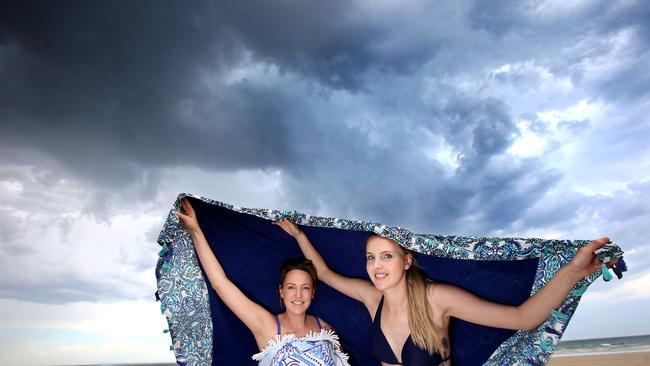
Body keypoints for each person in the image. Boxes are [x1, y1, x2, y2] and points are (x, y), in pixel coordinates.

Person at [274, 218, 615, 366]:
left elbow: (523, 319)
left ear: (407, 260)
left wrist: (571, 271)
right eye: (370, 258)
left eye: (387, 256)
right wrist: (299, 236)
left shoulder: (437, 299)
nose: (377, 266)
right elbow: (323, 274)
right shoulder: (371, 297)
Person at [176, 198, 350, 366]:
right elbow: (221, 285)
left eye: (305, 288)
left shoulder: (326, 330)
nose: (298, 295)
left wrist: (299, 234)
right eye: (291, 287)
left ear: (312, 292)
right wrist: (195, 232)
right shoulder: (267, 326)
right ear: (281, 291)